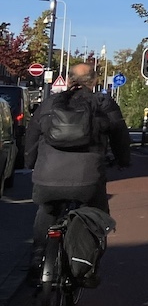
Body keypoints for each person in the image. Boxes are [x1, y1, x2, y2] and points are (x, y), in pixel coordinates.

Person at [25, 62, 131, 284]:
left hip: (47, 178)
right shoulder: (103, 103)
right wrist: (123, 161)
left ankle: (37, 258)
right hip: (88, 180)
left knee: (47, 209)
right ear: (94, 81)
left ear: (69, 79)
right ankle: (87, 268)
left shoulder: (50, 104)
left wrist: (30, 162)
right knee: (95, 214)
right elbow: (120, 136)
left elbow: (32, 136)